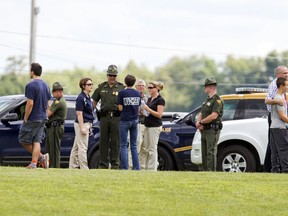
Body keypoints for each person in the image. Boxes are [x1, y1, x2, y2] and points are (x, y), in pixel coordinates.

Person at [18, 63, 51, 169]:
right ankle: (34, 163)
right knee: (37, 140)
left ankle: (41, 157)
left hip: (33, 117)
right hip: (43, 117)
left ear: (32, 72)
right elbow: (49, 103)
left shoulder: (30, 85)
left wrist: (26, 117)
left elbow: (30, 103)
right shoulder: (46, 85)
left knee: (23, 140)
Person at [92, 65, 125, 169]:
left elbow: (124, 103)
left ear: (116, 76)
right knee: (103, 142)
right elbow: (94, 102)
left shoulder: (121, 88)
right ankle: (103, 164)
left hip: (116, 118)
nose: (112, 77)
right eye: (110, 75)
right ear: (107, 75)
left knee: (116, 142)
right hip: (104, 118)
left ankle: (115, 164)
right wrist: (95, 111)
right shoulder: (101, 87)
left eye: (114, 75)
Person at [195, 78, 223, 171]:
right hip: (204, 130)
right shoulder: (208, 100)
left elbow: (214, 116)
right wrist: (198, 122)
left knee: (210, 152)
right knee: (204, 152)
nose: (204, 88)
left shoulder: (217, 100)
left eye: (206, 86)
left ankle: (211, 173)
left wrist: (201, 122)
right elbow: (202, 113)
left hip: (212, 130)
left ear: (210, 87)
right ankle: (206, 172)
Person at [264, 65, 288, 172]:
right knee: (281, 148)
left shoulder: (282, 86)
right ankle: (281, 169)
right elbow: (267, 100)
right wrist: (278, 101)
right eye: (285, 73)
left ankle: (273, 169)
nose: (287, 75)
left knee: (273, 148)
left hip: (277, 120)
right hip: (278, 119)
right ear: (278, 74)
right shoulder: (275, 86)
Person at [139, 81, 165, 171]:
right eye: (148, 88)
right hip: (147, 124)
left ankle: (152, 169)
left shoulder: (160, 100)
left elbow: (159, 114)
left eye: (151, 88)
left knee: (152, 148)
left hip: (155, 126)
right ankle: (144, 168)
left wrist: (148, 109)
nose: (149, 89)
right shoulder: (150, 99)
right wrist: (143, 111)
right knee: (145, 148)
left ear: (157, 88)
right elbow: (148, 112)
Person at [69, 78, 94, 169]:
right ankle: (84, 168)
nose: (91, 86)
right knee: (83, 147)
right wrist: (82, 127)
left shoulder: (88, 97)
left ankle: (72, 167)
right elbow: (79, 113)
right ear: (83, 86)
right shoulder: (81, 98)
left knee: (76, 147)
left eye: (91, 84)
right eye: (89, 84)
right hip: (82, 123)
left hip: (86, 123)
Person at [117, 74, 141, 170]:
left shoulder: (122, 93)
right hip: (135, 120)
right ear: (134, 83)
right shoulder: (138, 94)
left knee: (123, 145)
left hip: (125, 120)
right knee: (134, 145)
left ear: (125, 82)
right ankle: (136, 167)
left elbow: (120, 108)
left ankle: (124, 167)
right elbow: (139, 108)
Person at [45, 82, 67, 168]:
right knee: (51, 148)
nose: (53, 93)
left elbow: (47, 114)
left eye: (54, 91)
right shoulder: (57, 101)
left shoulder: (58, 102)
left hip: (55, 127)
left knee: (54, 149)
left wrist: (46, 104)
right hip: (53, 126)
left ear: (59, 92)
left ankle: (54, 166)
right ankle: (51, 165)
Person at [128, 79, 148, 168]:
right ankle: (130, 165)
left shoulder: (147, 98)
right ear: (135, 87)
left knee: (144, 147)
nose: (141, 87)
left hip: (146, 124)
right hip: (136, 123)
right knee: (135, 145)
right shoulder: (132, 97)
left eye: (143, 85)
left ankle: (142, 167)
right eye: (139, 85)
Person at [270, 77, 288, 173]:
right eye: (287, 85)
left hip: (273, 127)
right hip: (280, 128)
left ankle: (275, 170)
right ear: (281, 86)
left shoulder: (275, 98)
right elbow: (282, 115)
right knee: (283, 149)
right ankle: (285, 170)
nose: (287, 87)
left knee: (274, 151)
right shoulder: (279, 99)